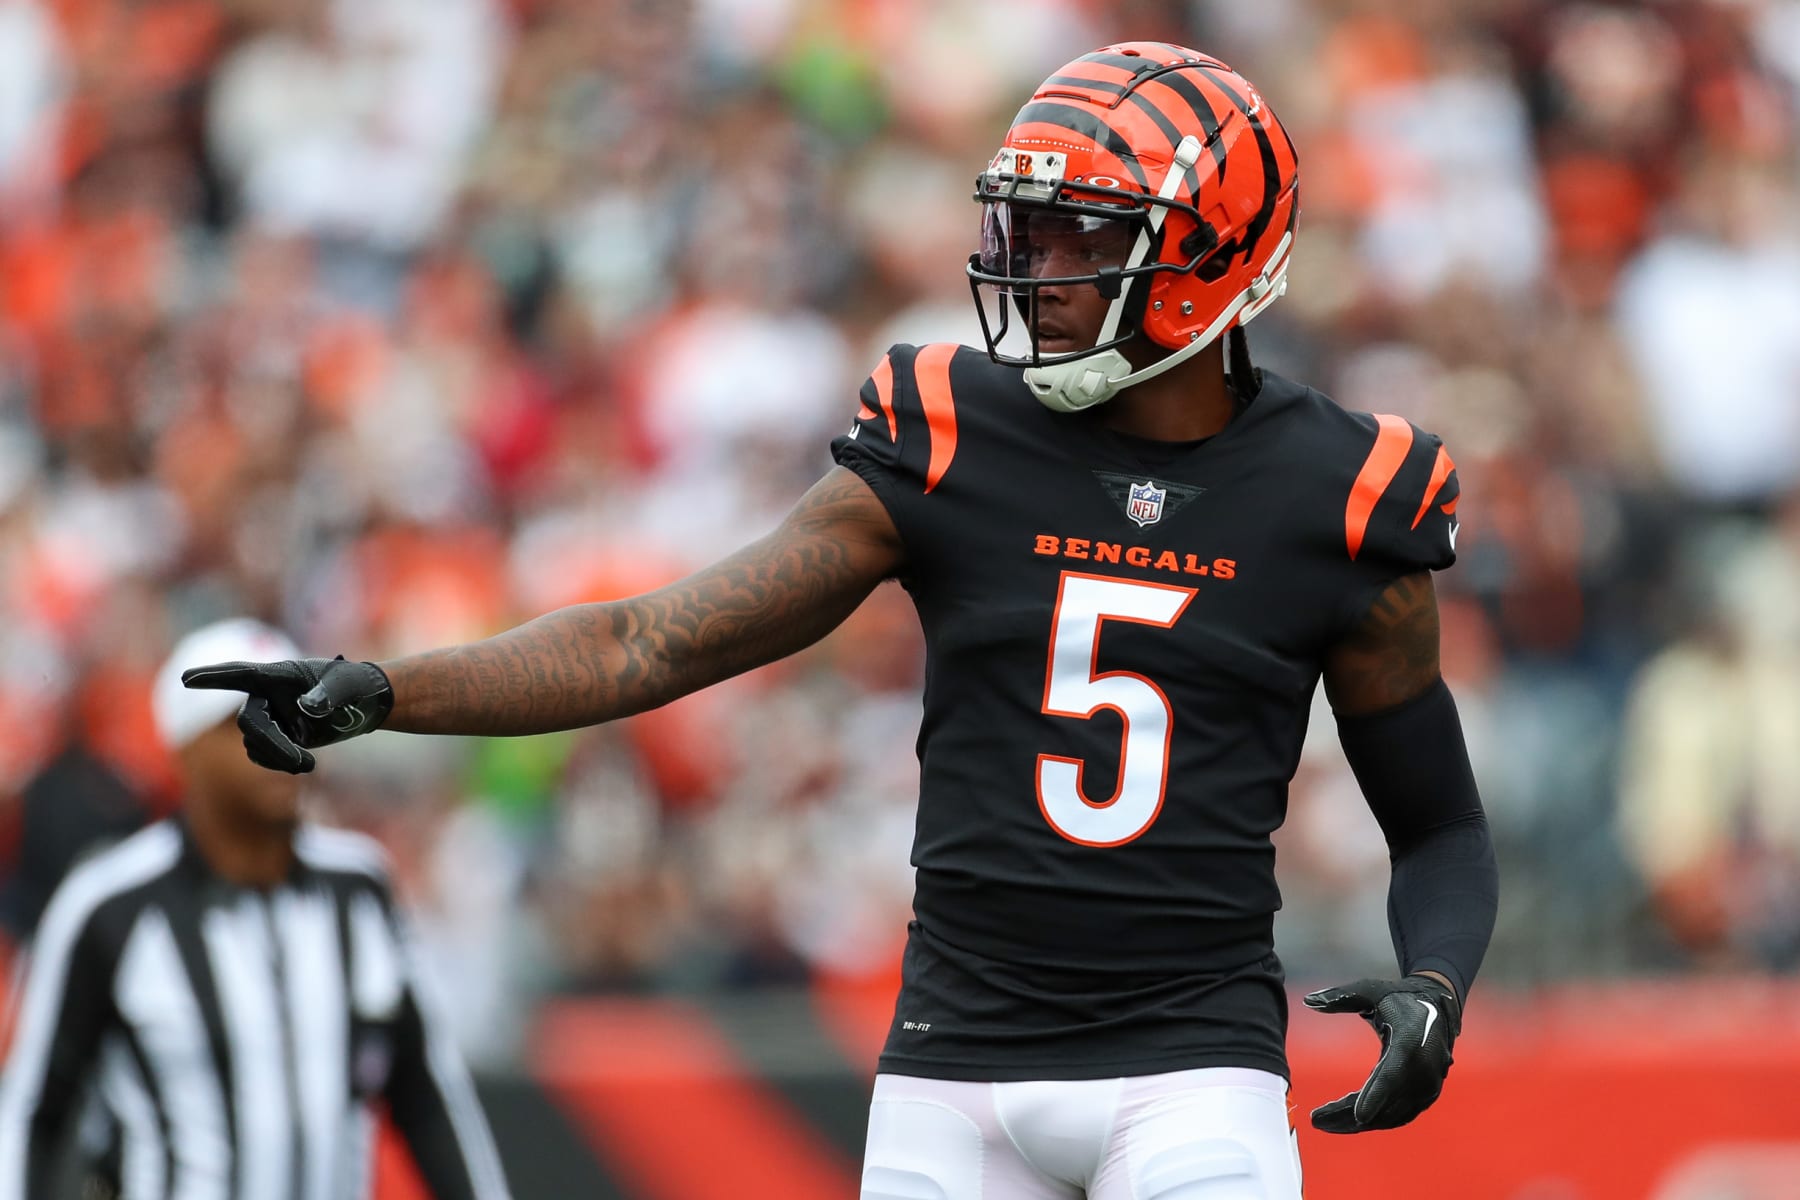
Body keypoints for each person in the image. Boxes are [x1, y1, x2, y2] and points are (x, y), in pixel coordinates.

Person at [185, 42, 1499, 1200]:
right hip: (954, 1070)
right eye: (1024, 230)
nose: (1030, 270)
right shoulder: (954, 436)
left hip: (1193, 1069)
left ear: (1214, 253)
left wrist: (1433, 987)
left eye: (1079, 236)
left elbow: (1434, 817)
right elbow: (657, 639)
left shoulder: (1345, 494)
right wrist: (392, 689)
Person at [0, 618, 511, 1200]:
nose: (282, 734)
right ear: (185, 751)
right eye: (241, 722)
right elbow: (35, 1111)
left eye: (296, 713)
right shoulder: (110, 905)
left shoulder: (359, 886)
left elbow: (426, 1096)